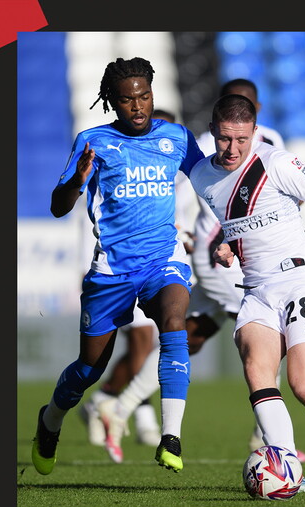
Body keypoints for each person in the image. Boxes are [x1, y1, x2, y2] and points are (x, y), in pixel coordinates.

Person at [95, 81, 305, 464]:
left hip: (238, 254)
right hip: (221, 255)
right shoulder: (216, 148)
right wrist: (191, 232)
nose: (234, 140)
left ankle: (118, 405)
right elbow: (183, 189)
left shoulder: (265, 143)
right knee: (268, 337)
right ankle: (267, 441)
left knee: (190, 337)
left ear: (255, 112)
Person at [188, 93, 305, 491]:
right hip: (257, 289)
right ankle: (288, 470)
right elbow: (237, 219)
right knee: (257, 371)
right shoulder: (201, 176)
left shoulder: (276, 163)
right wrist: (229, 244)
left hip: (302, 279)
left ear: (254, 133)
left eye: (241, 139)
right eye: (224, 138)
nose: (233, 148)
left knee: (304, 386)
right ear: (212, 132)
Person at [30, 57, 204, 476]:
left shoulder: (176, 137)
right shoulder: (93, 141)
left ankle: (170, 437)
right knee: (89, 369)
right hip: (112, 271)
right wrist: (77, 180)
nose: (139, 106)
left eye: (144, 96)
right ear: (112, 102)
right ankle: (50, 419)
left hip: (164, 259)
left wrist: (231, 233)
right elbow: (58, 206)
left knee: (175, 323)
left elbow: (210, 182)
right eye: (128, 100)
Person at [77, 108, 194, 452]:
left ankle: (123, 410)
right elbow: (91, 219)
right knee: (140, 346)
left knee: (163, 339)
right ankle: (111, 404)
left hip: (164, 262)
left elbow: (187, 213)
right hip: (119, 267)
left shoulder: (179, 172)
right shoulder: (116, 164)